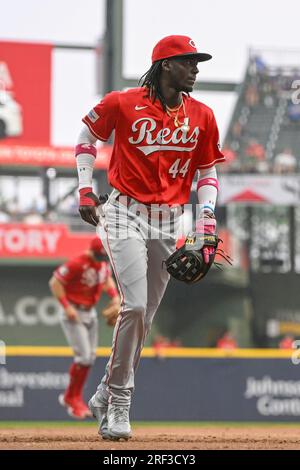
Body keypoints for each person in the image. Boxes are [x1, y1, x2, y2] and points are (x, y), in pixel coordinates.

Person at [75, 35, 225, 439]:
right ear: (165, 66)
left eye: (197, 62)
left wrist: (206, 219)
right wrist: (85, 188)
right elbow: (87, 136)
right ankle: (120, 403)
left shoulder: (204, 115)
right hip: (123, 211)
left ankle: (107, 388)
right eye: (188, 61)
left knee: (145, 317)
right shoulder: (122, 103)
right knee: (136, 306)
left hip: (170, 219)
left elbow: (207, 171)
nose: (195, 68)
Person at [49, 237, 120, 419]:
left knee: (90, 357)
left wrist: (114, 296)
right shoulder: (78, 263)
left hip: (90, 311)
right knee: (84, 357)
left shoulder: (103, 264)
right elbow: (55, 283)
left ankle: (71, 397)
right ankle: (72, 399)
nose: (101, 259)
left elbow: (107, 280)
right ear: (93, 252)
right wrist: (66, 306)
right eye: (99, 255)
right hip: (74, 311)